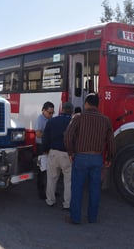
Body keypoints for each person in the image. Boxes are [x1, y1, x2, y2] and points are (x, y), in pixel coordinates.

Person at [64, 93, 115, 224]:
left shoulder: (78, 117)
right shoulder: (105, 120)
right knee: (95, 189)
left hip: (80, 157)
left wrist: (70, 152)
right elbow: (111, 141)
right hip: (97, 158)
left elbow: (68, 136)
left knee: (77, 188)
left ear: (86, 104)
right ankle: (92, 218)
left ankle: (75, 218)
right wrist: (109, 157)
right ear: (97, 105)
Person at [43, 102, 73, 210]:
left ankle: (50, 201)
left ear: (62, 110)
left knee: (51, 178)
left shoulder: (52, 121)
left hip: (53, 153)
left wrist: (45, 150)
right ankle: (67, 204)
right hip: (68, 155)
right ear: (72, 111)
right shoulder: (73, 122)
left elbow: (45, 138)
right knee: (68, 181)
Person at [35, 101, 54, 199]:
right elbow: (38, 134)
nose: (51, 115)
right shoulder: (40, 119)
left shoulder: (51, 119)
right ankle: (41, 192)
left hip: (49, 146)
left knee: (50, 170)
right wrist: (49, 135)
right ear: (43, 110)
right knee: (41, 170)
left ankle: (50, 191)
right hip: (41, 147)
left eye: (52, 113)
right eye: (49, 113)